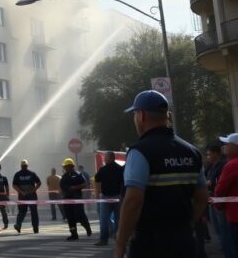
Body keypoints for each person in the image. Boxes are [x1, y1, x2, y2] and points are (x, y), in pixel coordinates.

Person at [113, 90, 207, 258]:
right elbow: (202, 197)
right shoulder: (192, 152)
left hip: (150, 243)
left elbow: (133, 201)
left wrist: (120, 244)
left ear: (141, 115)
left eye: (135, 113)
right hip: (185, 241)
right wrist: (187, 224)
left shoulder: (140, 152)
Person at [206, 142, 234, 257]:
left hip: (220, 202)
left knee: (224, 231)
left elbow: (220, 185)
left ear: (216, 153)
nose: (208, 157)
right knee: (219, 231)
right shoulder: (212, 167)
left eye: (209, 154)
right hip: (214, 201)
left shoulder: (223, 165)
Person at [94, 151, 123, 247]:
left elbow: (97, 180)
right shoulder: (120, 169)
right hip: (117, 197)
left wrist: (97, 194)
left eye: (105, 158)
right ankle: (119, 239)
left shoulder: (103, 169)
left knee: (104, 219)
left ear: (110, 158)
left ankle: (104, 240)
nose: (104, 159)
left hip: (107, 198)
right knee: (119, 219)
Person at [216, 133, 238, 257]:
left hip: (235, 216)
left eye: (228, 144)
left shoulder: (231, 165)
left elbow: (220, 190)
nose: (225, 146)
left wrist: (218, 205)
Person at [60, 158, 92, 241]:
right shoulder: (64, 176)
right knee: (70, 218)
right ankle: (74, 234)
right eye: (64, 167)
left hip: (77, 198)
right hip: (67, 199)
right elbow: (62, 187)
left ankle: (87, 228)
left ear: (71, 166)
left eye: (66, 166)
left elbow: (85, 184)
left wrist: (75, 187)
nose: (65, 168)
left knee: (80, 215)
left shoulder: (78, 174)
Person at [12, 159, 41, 234]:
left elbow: (39, 183)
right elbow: (14, 185)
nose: (24, 167)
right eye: (23, 166)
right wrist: (21, 192)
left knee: (32, 211)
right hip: (24, 196)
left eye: (25, 166)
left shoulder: (31, 174)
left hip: (30, 196)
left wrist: (33, 190)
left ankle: (35, 227)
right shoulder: (18, 174)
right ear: (22, 166)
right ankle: (18, 225)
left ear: (26, 166)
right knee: (23, 211)